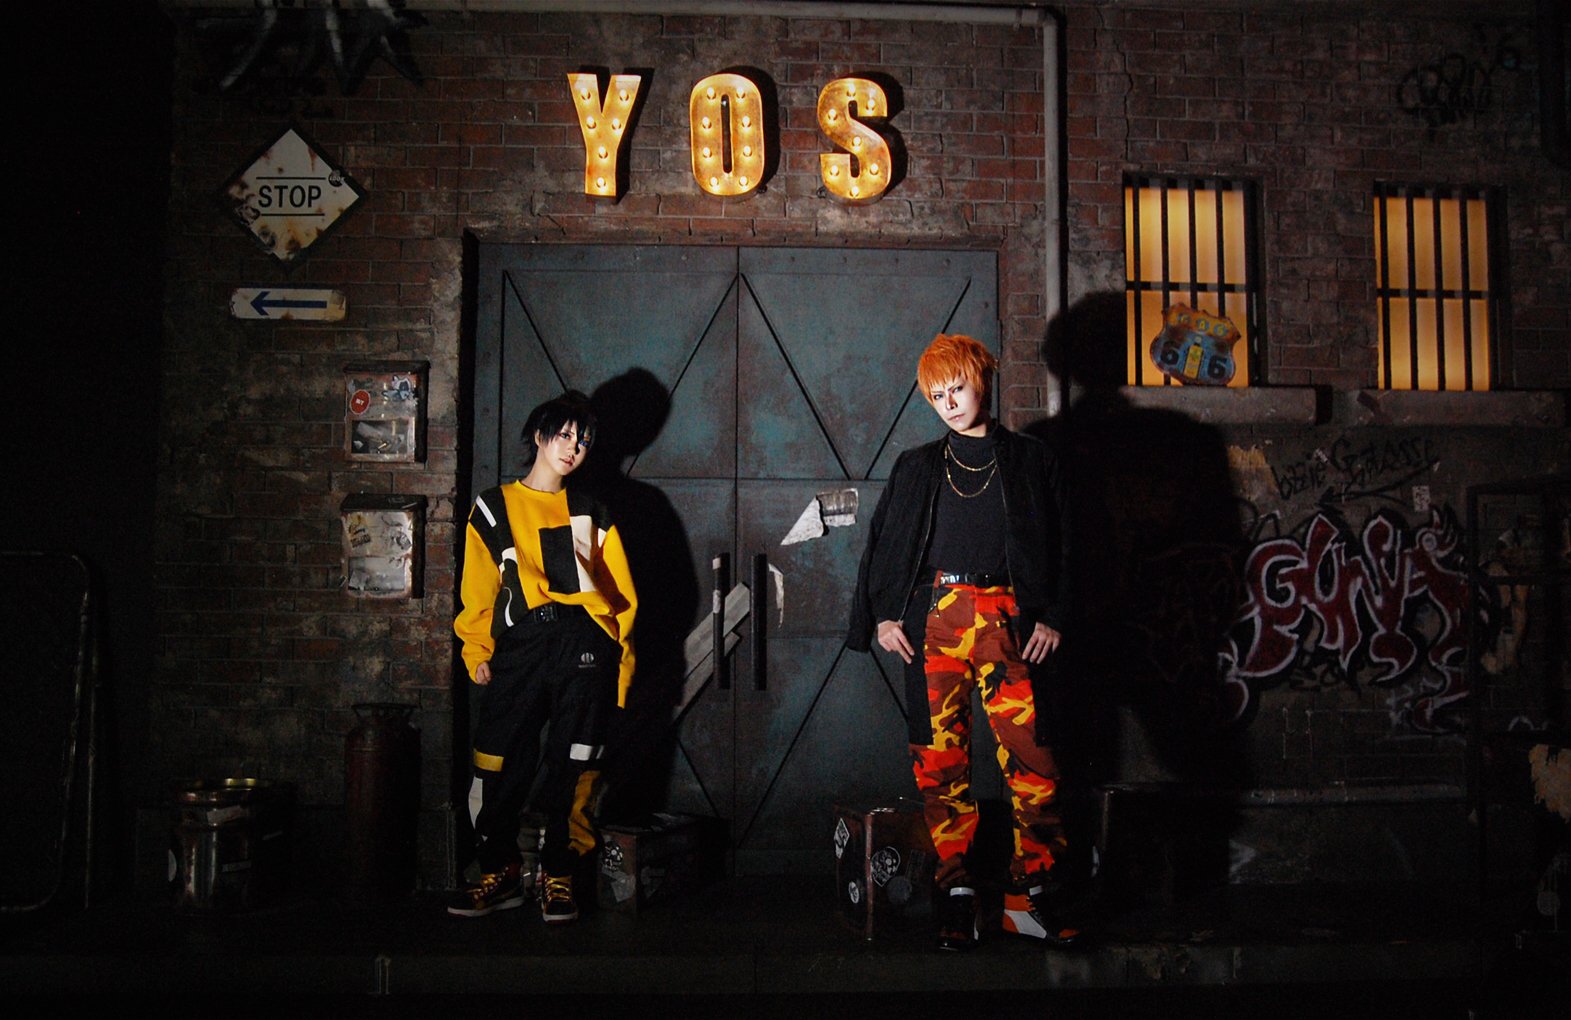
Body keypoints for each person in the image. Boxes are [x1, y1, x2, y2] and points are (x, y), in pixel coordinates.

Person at [848, 333, 1078, 951]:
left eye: (957, 389)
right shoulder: (917, 465)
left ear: (983, 382)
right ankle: (957, 897)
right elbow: (883, 542)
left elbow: (1068, 541)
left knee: (1035, 764)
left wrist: (1053, 615)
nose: (949, 403)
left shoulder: (1032, 460)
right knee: (939, 762)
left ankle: (1028, 899)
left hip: (1010, 619)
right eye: (937, 395)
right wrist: (882, 616)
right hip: (934, 621)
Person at [449, 391, 637, 923]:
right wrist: (477, 648)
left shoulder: (593, 510)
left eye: (584, 441)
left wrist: (620, 664)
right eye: (565, 435)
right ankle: (500, 871)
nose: (573, 448)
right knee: (497, 758)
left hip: (584, 642)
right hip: (522, 643)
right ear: (539, 435)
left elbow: (621, 595)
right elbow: (478, 588)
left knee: (576, 762)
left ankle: (559, 873)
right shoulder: (493, 506)